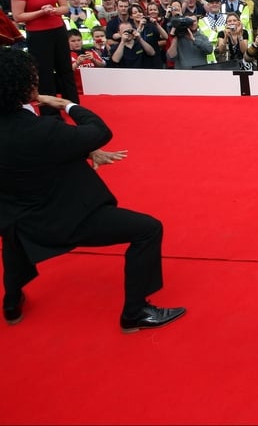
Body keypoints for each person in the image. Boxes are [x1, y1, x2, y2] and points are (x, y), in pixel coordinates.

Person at [0, 48, 185, 331]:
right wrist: (67, 105)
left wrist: (84, 152)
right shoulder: (42, 130)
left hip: (17, 217)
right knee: (148, 229)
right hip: (65, 218)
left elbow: (27, 156)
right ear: (24, 85)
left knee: (14, 236)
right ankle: (135, 313)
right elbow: (98, 131)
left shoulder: (32, 131)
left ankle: (11, 303)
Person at [8, 0, 78, 113]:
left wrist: (53, 11)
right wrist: (41, 12)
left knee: (65, 69)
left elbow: (64, 7)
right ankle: (50, 112)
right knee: (44, 74)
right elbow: (18, 16)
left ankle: (73, 106)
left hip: (58, 30)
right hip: (38, 35)